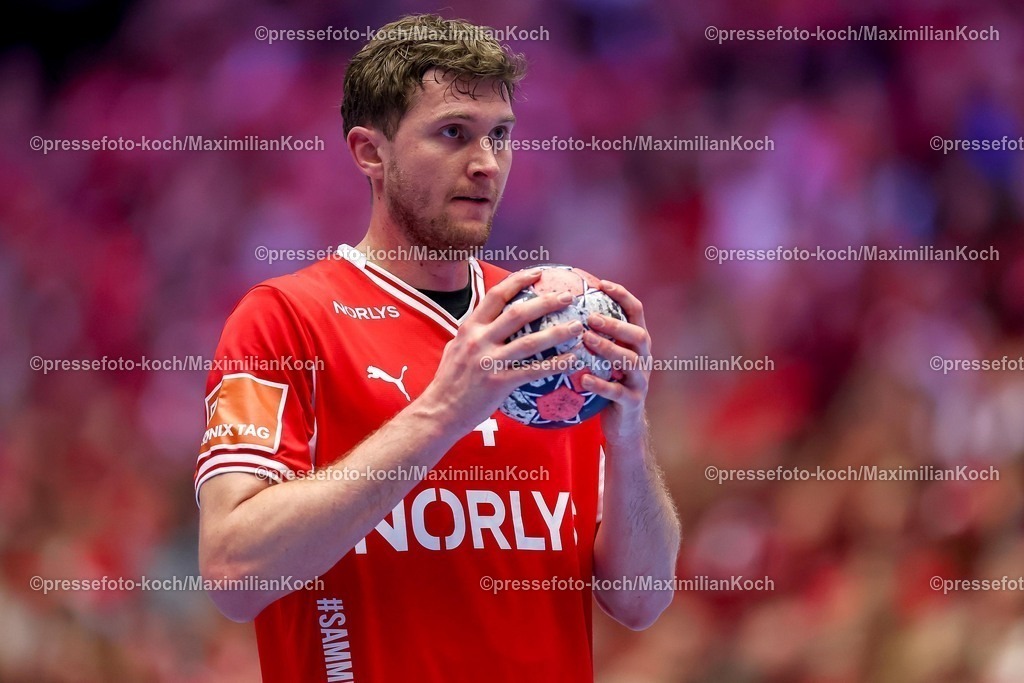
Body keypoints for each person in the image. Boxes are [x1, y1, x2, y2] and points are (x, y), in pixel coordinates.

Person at [195, 13, 680, 682]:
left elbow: (642, 599)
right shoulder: (281, 320)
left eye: (500, 136)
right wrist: (444, 410)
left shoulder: (545, 326)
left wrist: (628, 433)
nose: (486, 163)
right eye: (454, 133)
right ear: (370, 151)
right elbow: (233, 569)